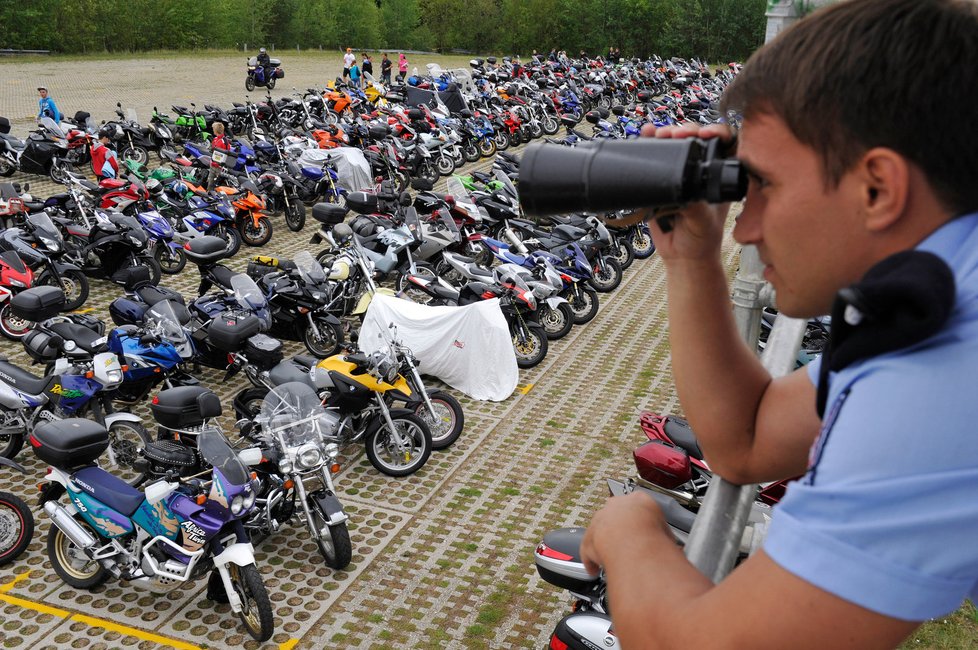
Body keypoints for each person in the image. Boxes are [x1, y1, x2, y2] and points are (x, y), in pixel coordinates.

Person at [578, 1, 978, 648]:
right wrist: (692, 258)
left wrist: (630, 530)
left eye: (762, 183)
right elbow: (748, 438)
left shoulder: (941, 374)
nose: (746, 225)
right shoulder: (941, 291)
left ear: (877, 188)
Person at [206, 122, 231, 192]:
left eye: (213, 129)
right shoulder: (217, 139)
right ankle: (209, 192)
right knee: (210, 181)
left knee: (216, 183)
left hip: (219, 166)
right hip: (213, 164)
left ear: (215, 130)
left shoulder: (223, 141)